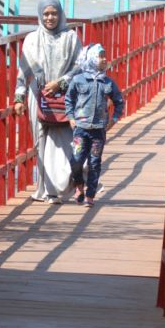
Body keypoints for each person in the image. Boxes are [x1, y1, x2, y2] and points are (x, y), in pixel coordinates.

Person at [13, 0, 82, 202]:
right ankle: (44, 188)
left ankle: (66, 186)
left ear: (60, 14)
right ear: (40, 15)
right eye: (46, 14)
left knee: (66, 142)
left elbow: (80, 66)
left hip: (65, 96)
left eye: (54, 13)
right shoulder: (32, 39)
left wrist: (60, 82)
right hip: (38, 96)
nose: (50, 18)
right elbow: (23, 71)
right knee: (40, 142)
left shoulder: (71, 37)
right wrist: (19, 97)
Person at [65, 44, 124, 207]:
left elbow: (119, 102)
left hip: (98, 130)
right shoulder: (78, 80)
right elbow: (69, 99)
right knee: (76, 160)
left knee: (94, 162)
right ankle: (79, 186)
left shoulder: (108, 83)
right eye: (100, 56)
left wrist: (114, 119)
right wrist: (71, 117)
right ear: (91, 58)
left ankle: (90, 195)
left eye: (105, 56)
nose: (105, 59)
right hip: (80, 129)